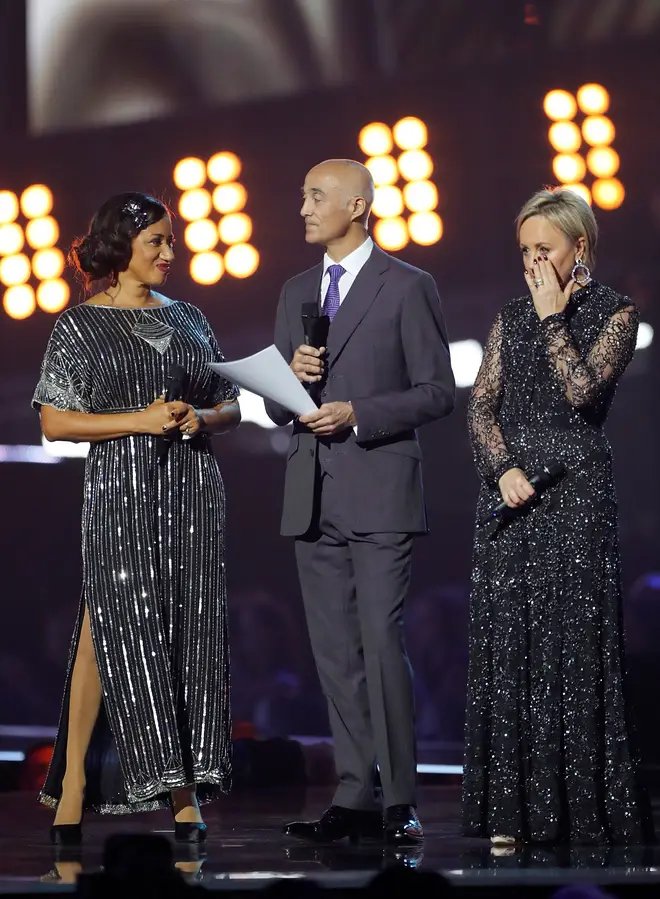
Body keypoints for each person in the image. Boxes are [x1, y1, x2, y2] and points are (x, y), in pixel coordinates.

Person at [32, 192, 240, 845]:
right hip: (119, 489)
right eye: (157, 242)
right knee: (109, 622)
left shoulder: (189, 318)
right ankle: (72, 783)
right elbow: (54, 420)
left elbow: (230, 402)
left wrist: (197, 417)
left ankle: (182, 788)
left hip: (191, 487)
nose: (169, 254)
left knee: (182, 626)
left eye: (170, 241)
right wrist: (139, 420)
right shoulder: (78, 325)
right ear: (121, 246)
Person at [265, 159, 455, 844]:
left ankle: (400, 794)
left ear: (358, 204)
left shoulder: (407, 286)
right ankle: (354, 791)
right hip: (312, 494)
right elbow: (272, 402)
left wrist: (358, 411)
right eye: (303, 196)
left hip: (379, 487)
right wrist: (288, 379)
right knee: (334, 653)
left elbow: (437, 390)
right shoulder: (294, 292)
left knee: (380, 641)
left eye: (317, 197)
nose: (304, 209)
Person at [463, 186, 653, 845]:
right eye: (524, 252)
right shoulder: (507, 317)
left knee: (573, 644)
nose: (534, 264)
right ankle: (510, 815)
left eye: (545, 249)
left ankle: (581, 813)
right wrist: (503, 469)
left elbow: (580, 390)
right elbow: (481, 406)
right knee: (512, 645)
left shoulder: (615, 314)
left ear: (581, 247)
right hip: (514, 494)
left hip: (576, 492)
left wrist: (552, 320)